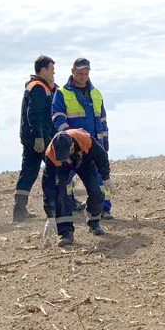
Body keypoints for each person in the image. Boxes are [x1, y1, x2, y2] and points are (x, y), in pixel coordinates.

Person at [51, 57, 113, 219]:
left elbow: (103, 120)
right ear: (72, 72)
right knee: (66, 180)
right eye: (79, 73)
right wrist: (69, 139)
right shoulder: (62, 93)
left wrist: (105, 140)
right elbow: (58, 118)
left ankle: (104, 209)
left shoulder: (96, 93)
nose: (83, 77)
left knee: (100, 179)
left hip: (95, 143)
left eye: (86, 73)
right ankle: (68, 205)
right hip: (73, 146)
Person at [42, 128, 111, 246]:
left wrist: (106, 177)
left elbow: (101, 156)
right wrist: (50, 215)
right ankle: (66, 233)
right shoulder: (51, 154)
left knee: (95, 191)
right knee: (60, 193)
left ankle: (94, 222)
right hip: (62, 169)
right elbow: (48, 186)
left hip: (85, 163)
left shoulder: (84, 139)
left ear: (72, 146)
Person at [14, 55, 56, 222]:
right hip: (40, 138)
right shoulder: (38, 87)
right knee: (58, 168)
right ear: (43, 69)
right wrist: (39, 136)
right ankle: (66, 203)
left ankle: (19, 210)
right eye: (52, 70)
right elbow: (35, 114)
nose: (53, 74)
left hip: (33, 137)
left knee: (29, 172)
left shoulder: (36, 86)